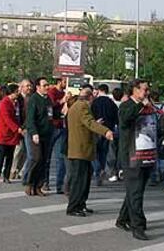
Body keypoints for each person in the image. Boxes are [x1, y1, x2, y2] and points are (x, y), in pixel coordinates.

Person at [115, 79, 157, 241]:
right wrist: (141, 105)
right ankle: (137, 226)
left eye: (148, 90)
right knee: (136, 192)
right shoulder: (127, 105)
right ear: (135, 90)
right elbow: (126, 119)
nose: (147, 93)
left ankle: (123, 218)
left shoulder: (149, 106)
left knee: (135, 191)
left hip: (147, 154)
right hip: (132, 155)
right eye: (144, 90)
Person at [66, 87, 113, 216]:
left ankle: (81, 204)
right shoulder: (82, 107)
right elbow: (90, 123)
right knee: (79, 181)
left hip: (82, 149)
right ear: (90, 97)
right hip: (80, 149)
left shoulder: (77, 105)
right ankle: (74, 207)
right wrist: (105, 131)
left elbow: (86, 123)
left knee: (84, 179)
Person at [25, 77, 54, 196]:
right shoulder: (34, 99)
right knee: (36, 158)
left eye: (48, 85)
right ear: (38, 87)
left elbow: (51, 114)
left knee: (44, 160)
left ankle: (38, 186)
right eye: (44, 85)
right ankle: (29, 182)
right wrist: (34, 133)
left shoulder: (48, 99)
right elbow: (30, 119)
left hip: (47, 133)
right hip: (36, 134)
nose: (47, 87)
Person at [91, 84, 119, 186]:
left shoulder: (95, 102)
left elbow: (91, 116)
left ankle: (97, 170)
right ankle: (102, 168)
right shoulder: (111, 103)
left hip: (97, 129)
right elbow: (117, 117)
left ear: (99, 90)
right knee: (104, 151)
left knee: (95, 151)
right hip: (108, 130)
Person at [0, 84, 22, 183]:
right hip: (4, 132)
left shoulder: (17, 102)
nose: (18, 93)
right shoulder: (4, 102)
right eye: (17, 91)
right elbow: (7, 119)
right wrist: (17, 129)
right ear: (12, 92)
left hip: (13, 134)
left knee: (10, 156)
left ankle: (6, 176)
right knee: (1, 154)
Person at [46, 77, 70, 193]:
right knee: (47, 156)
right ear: (59, 82)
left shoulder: (65, 92)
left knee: (61, 157)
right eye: (65, 82)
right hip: (53, 126)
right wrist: (61, 101)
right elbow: (50, 106)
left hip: (62, 126)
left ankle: (60, 185)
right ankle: (44, 182)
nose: (66, 84)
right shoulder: (52, 92)